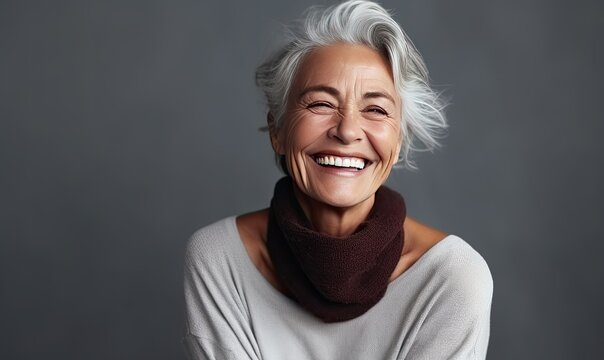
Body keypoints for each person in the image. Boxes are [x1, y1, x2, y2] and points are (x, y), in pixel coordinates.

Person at [183, 1, 493, 359]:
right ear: (277, 131)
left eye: (375, 109)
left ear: (399, 141)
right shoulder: (220, 258)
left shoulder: (452, 279)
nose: (347, 131)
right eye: (320, 104)